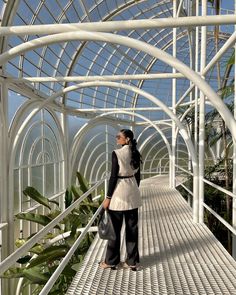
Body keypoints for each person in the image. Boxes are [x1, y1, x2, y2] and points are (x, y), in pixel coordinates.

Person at [99, 129, 142, 271]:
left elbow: (113, 177)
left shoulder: (116, 154)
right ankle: (132, 261)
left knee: (114, 230)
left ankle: (111, 261)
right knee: (132, 229)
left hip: (118, 195)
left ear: (127, 139)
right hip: (133, 192)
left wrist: (107, 198)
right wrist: (134, 189)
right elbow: (138, 177)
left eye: (119, 137)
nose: (116, 138)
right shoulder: (135, 153)